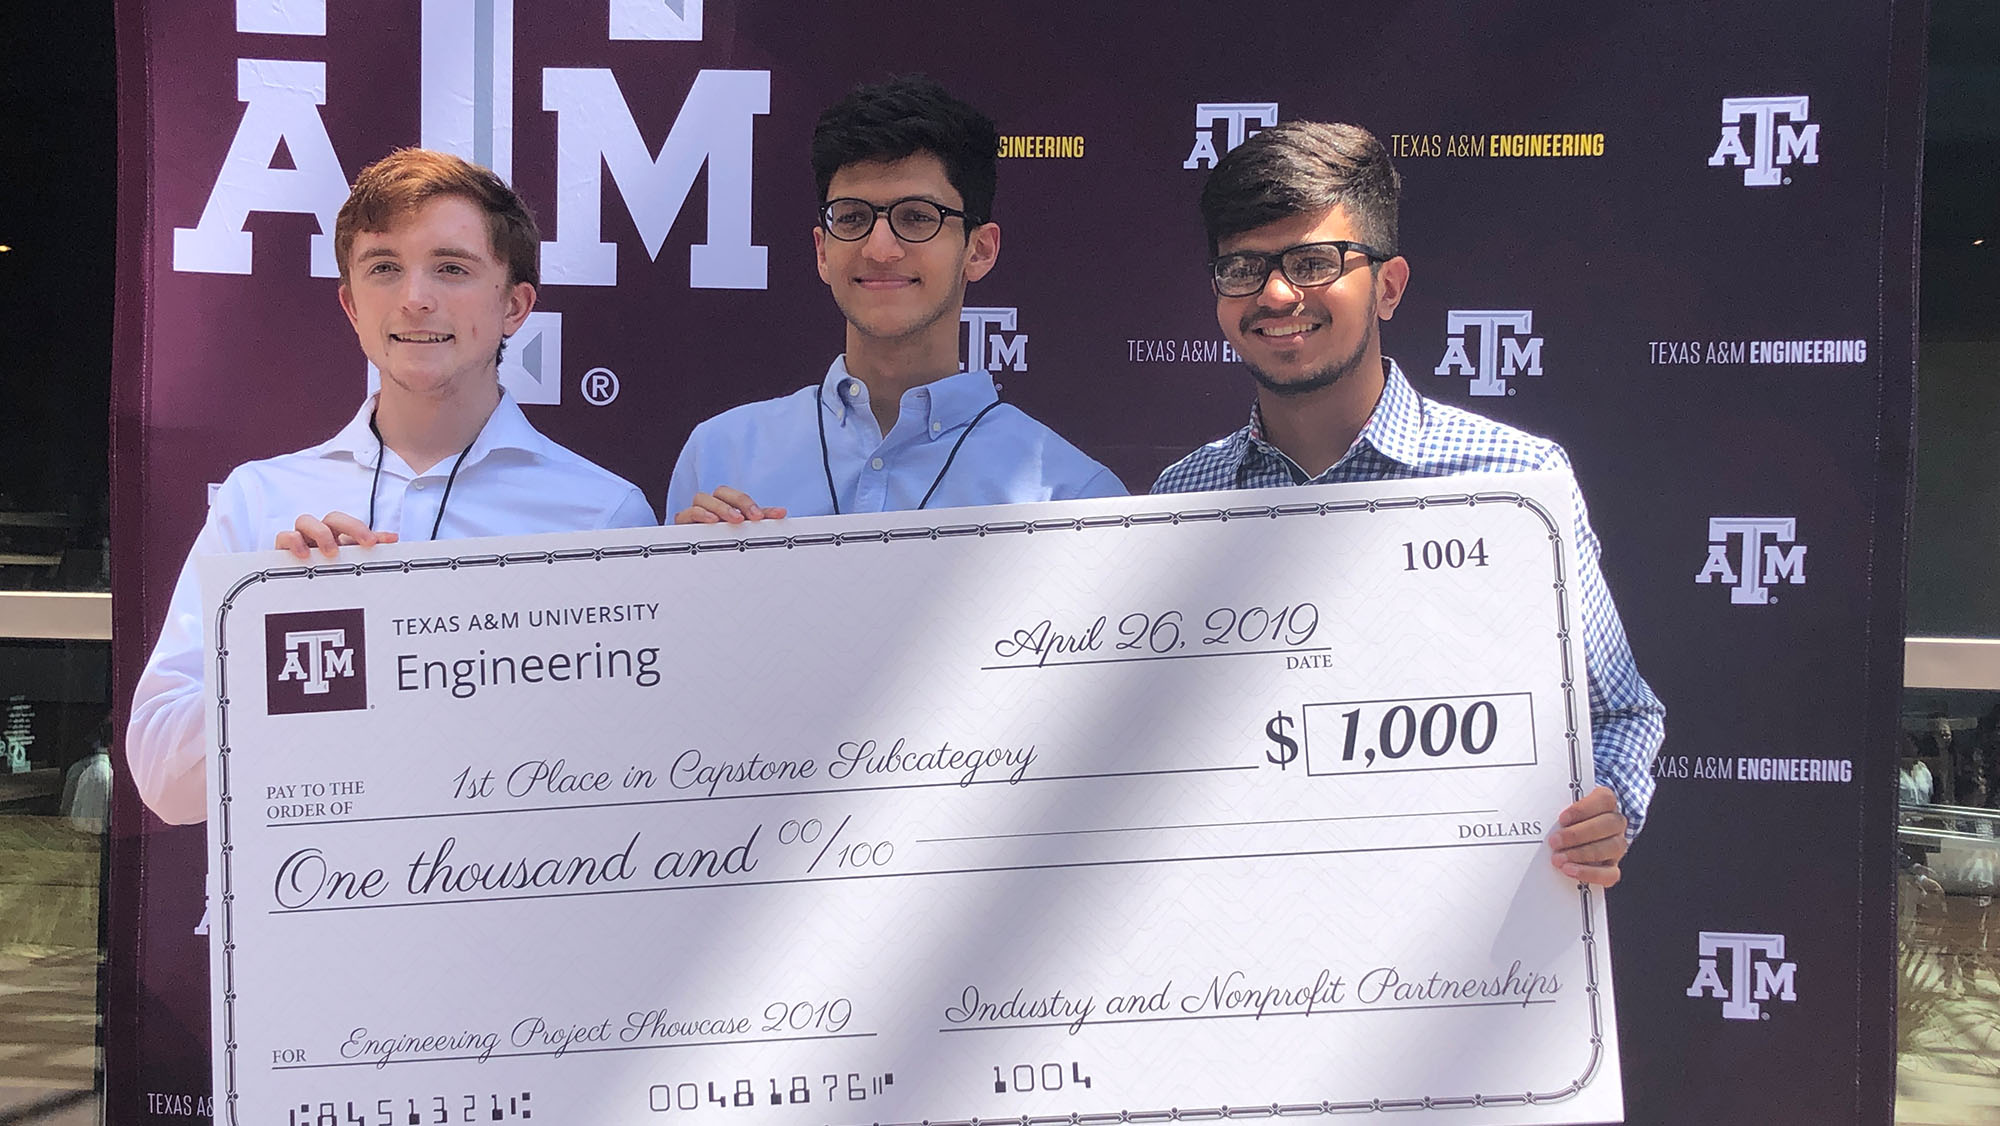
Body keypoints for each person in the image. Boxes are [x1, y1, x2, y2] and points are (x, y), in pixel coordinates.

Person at [1153, 121, 1666, 887]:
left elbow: (1620, 714)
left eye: (1313, 262)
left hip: (1456, 959)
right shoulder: (1181, 500)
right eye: (1243, 268)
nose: (1277, 293)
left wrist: (1606, 809)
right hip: (1240, 949)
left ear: (1388, 286)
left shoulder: (1515, 480)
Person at [126, 149, 656, 825]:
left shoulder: (603, 515)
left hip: (515, 914)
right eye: (384, 268)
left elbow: (634, 778)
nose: (414, 297)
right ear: (351, 305)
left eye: (452, 268)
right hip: (319, 908)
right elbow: (164, 790)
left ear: (515, 305)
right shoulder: (258, 501)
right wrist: (283, 636)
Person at [666, 75, 1123, 525]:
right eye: (851, 217)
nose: (880, 249)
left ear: (979, 250)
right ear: (822, 252)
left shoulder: (1071, 499)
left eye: (918, 217)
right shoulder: (718, 457)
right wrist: (687, 579)